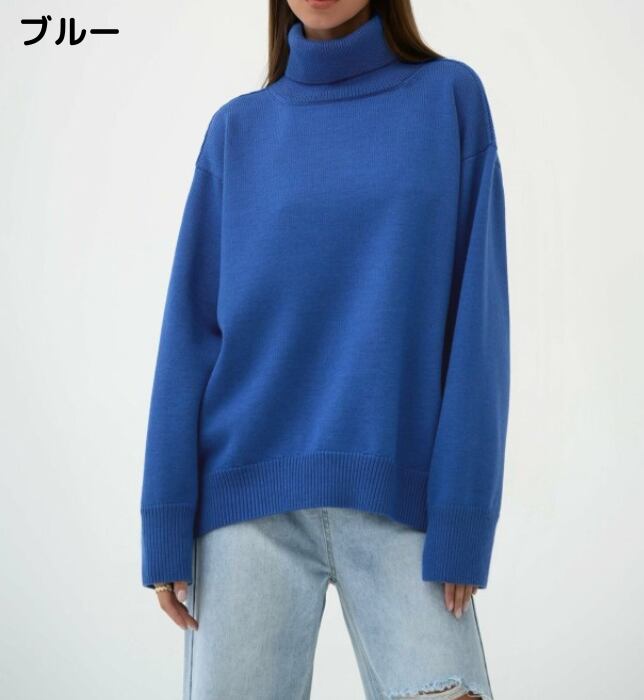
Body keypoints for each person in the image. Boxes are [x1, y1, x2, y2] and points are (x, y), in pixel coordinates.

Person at [139, 1, 509, 697]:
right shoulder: (236, 131)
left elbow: (478, 320)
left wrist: (465, 512)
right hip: (244, 508)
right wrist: (165, 517)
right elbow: (187, 335)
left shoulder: (449, 99)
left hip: (404, 503)